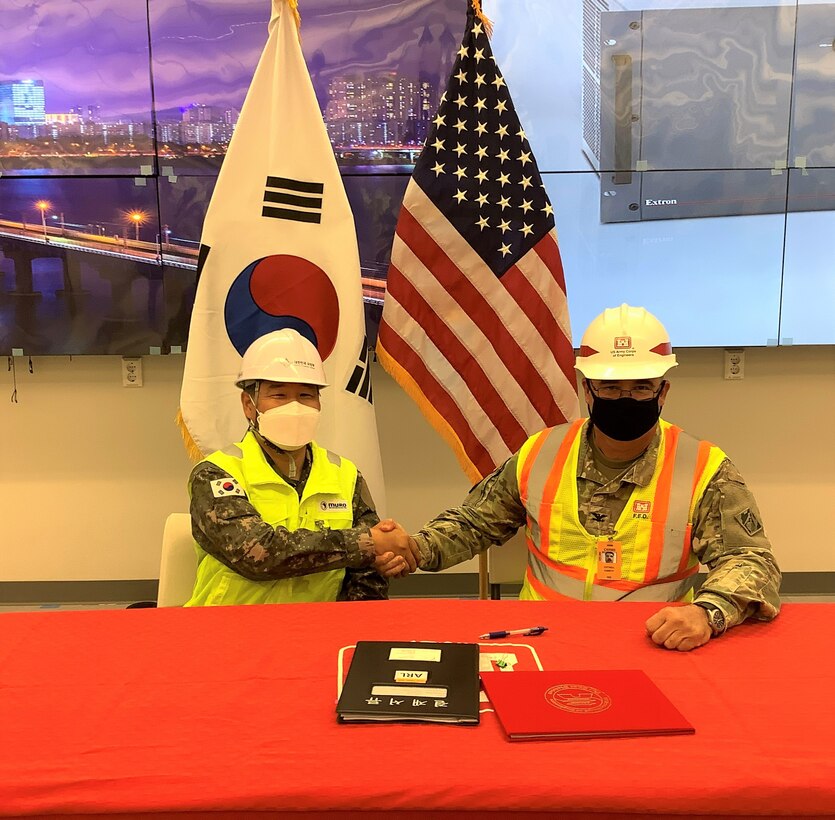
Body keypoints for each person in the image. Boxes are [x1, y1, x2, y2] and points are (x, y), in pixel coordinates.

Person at [408, 304, 781, 651]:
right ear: (587, 390)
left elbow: (751, 561)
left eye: (640, 387)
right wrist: (416, 548)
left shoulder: (705, 468)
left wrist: (707, 612)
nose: (625, 399)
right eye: (610, 388)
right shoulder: (540, 452)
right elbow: (475, 523)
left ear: (662, 391)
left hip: (654, 641)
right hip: (541, 640)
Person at [185, 329, 417, 607]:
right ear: (249, 405)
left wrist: (382, 565)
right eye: (279, 395)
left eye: (306, 395)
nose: (294, 407)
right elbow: (259, 554)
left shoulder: (344, 474)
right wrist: (367, 543)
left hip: (317, 629)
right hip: (228, 630)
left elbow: (366, 571)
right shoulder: (217, 474)